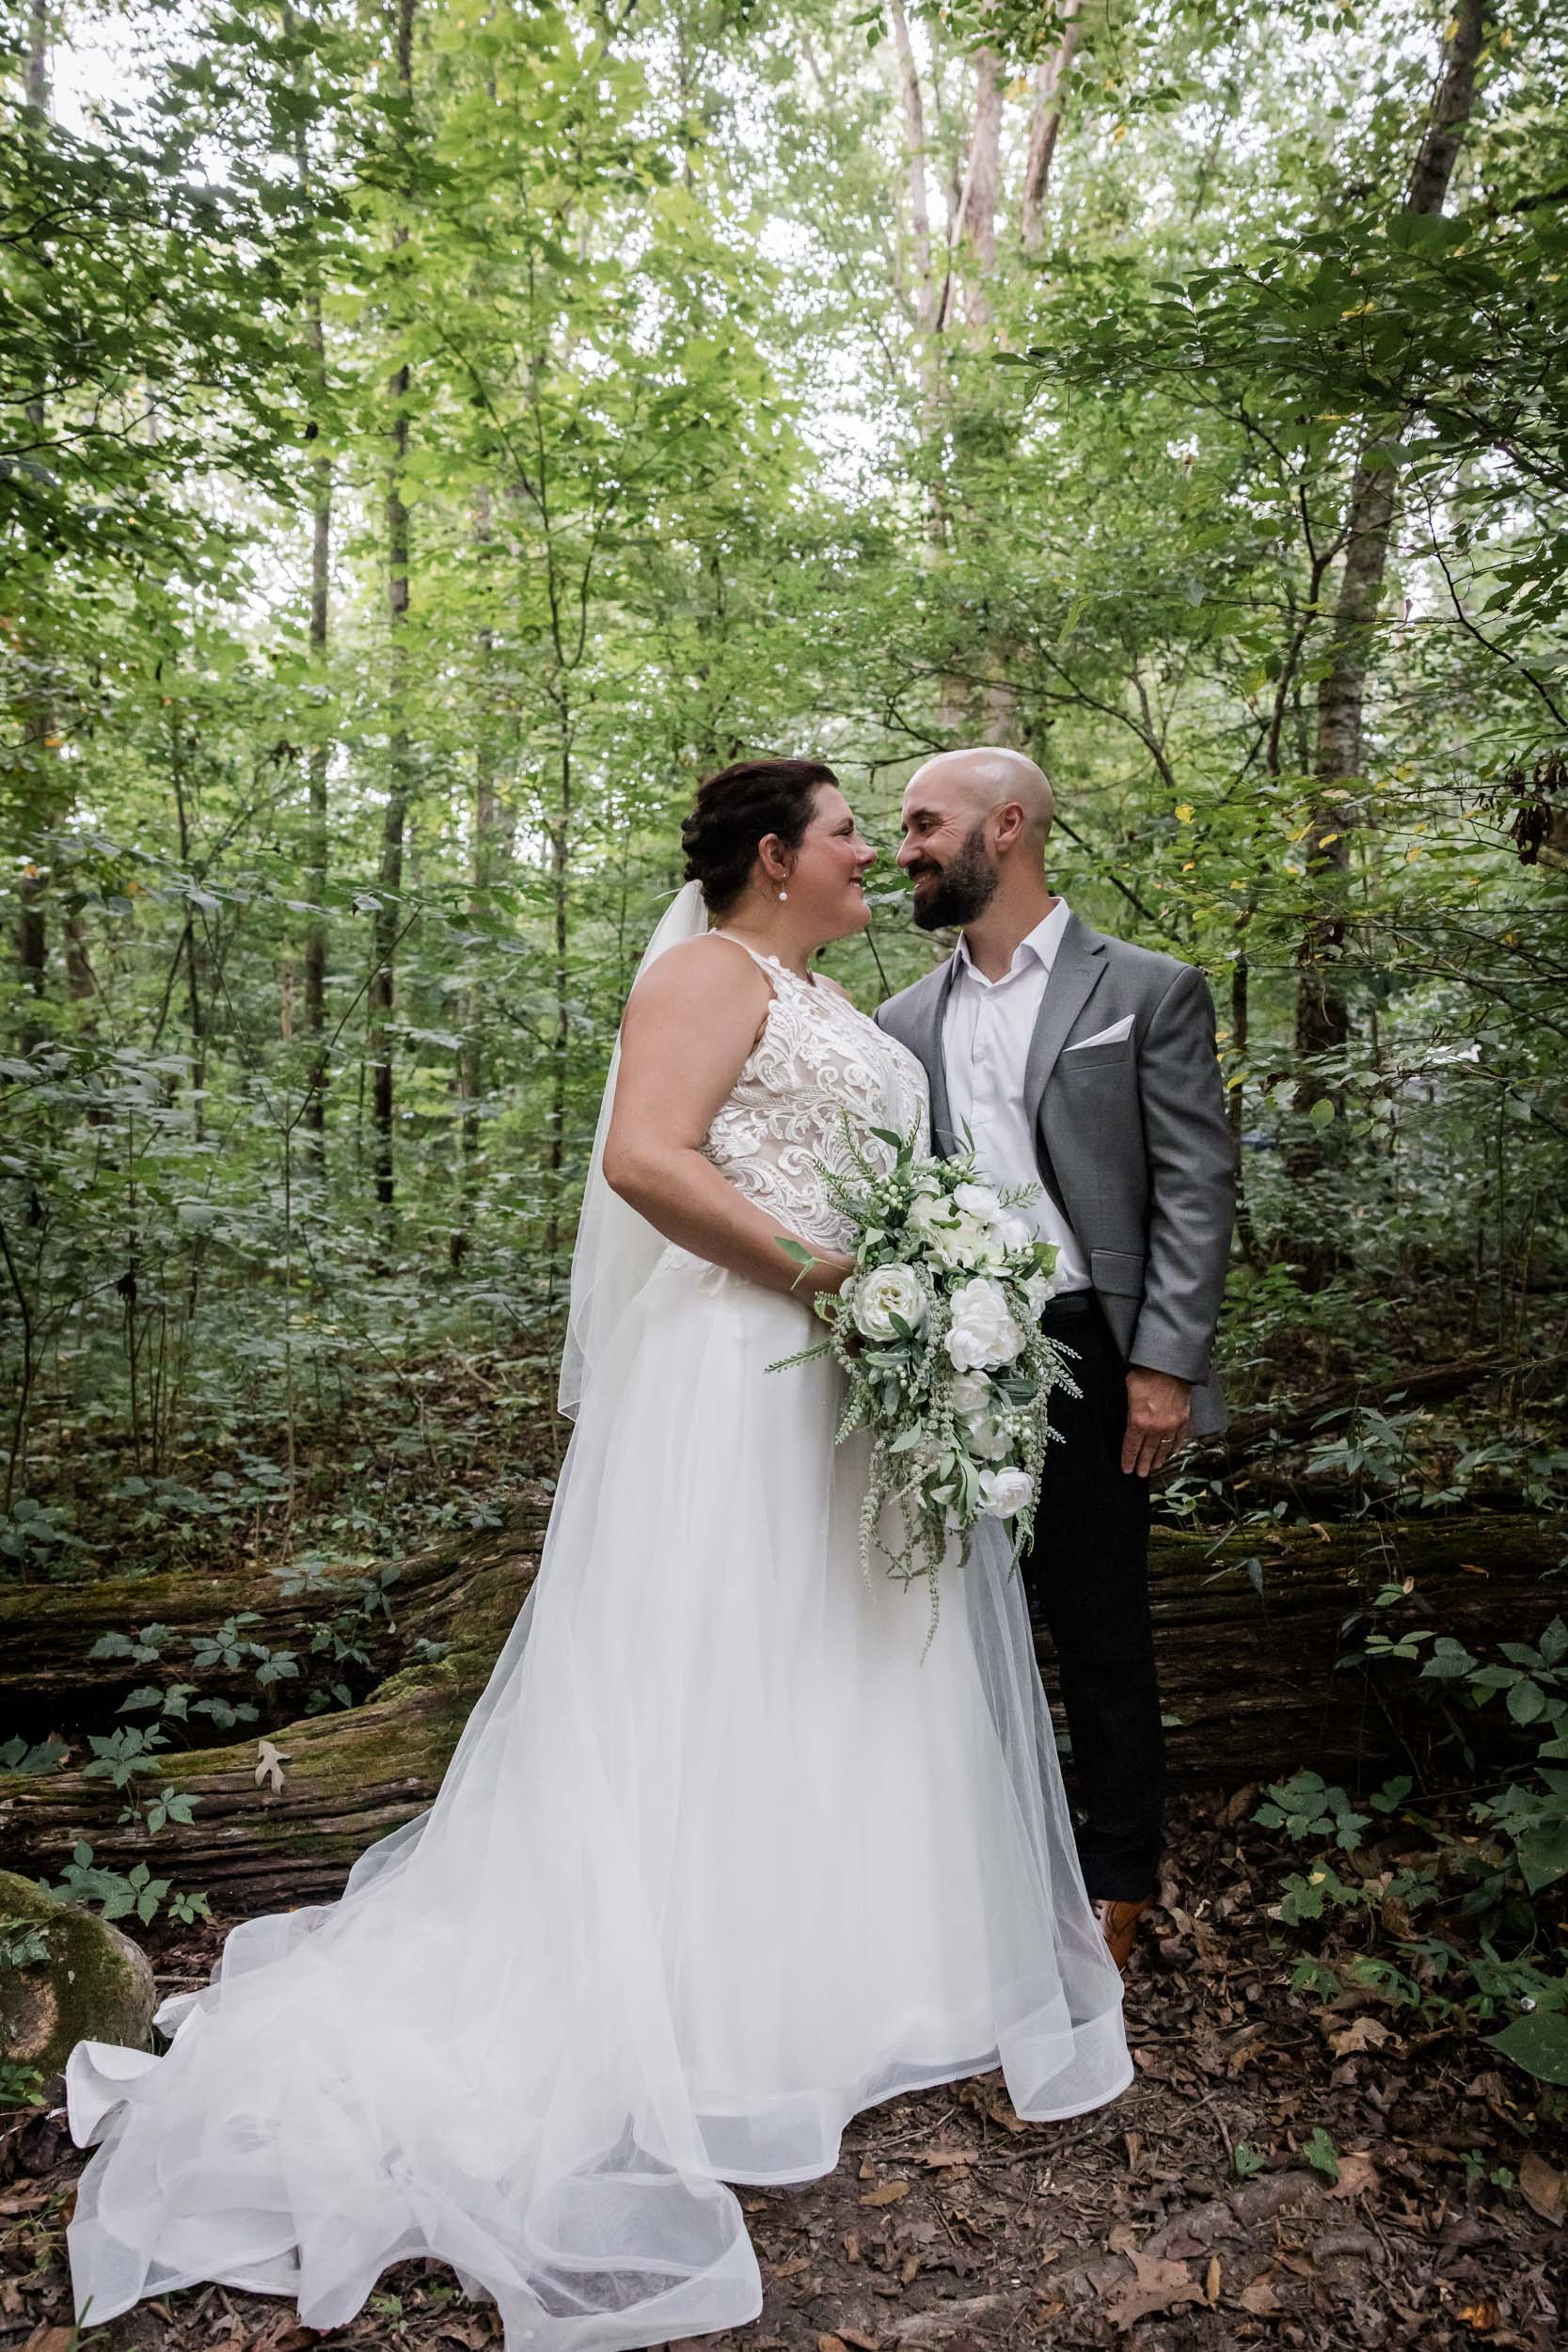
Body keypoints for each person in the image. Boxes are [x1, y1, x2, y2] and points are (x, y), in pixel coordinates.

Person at [64, 757, 1131, 2352]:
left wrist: (915, 1284)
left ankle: (851, 1979)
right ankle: (697, 2007)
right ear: (774, 856)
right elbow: (649, 1158)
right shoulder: (704, 974)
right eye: (849, 832)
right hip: (741, 1374)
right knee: (723, 1669)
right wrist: (837, 1280)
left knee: (837, 1659)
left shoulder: (835, 1002)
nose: (869, 854)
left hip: (845, 1375)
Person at [877, 747, 1235, 1972]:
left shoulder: (1146, 988)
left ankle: (1118, 1883)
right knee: (954, 1625)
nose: (904, 850)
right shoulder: (900, 1023)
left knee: (1101, 1622)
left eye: (924, 824)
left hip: (1094, 1345)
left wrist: (1164, 1363)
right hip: (945, 1357)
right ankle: (976, 1876)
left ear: (1008, 827)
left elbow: (1196, 1184)